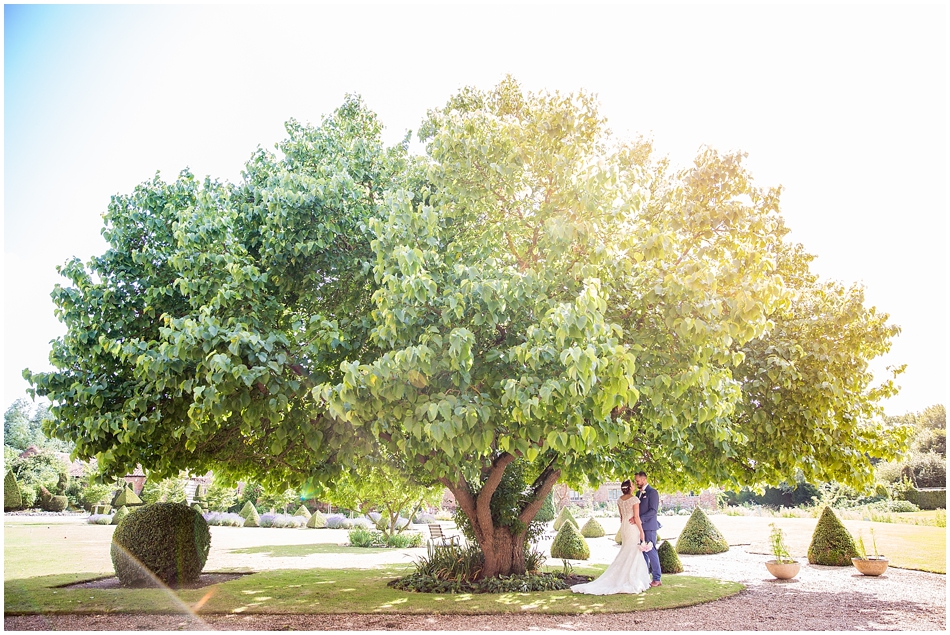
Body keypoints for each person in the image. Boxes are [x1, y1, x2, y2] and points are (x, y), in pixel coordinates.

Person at [571, 479, 652, 595]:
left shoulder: (619, 500)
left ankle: (623, 575)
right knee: (632, 551)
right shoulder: (634, 499)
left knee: (627, 550)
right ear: (629, 488)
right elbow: (637, 517)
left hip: (624, 527)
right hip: (632, 528)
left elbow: (621, 517)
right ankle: (630, 578)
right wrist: (641, 531)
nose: (634, 486)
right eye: (632, 485)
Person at [635, 471, 662, 587]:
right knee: (642, 553)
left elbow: (653, 510)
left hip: (649, 527)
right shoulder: (637, 493)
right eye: (636, 481)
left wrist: (640, 519)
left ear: (644, 479)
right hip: (639, 528)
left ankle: (657, 578)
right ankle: (645, 577)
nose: (636, 483)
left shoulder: (653, 492)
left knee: (651, 552)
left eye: (638, 480)